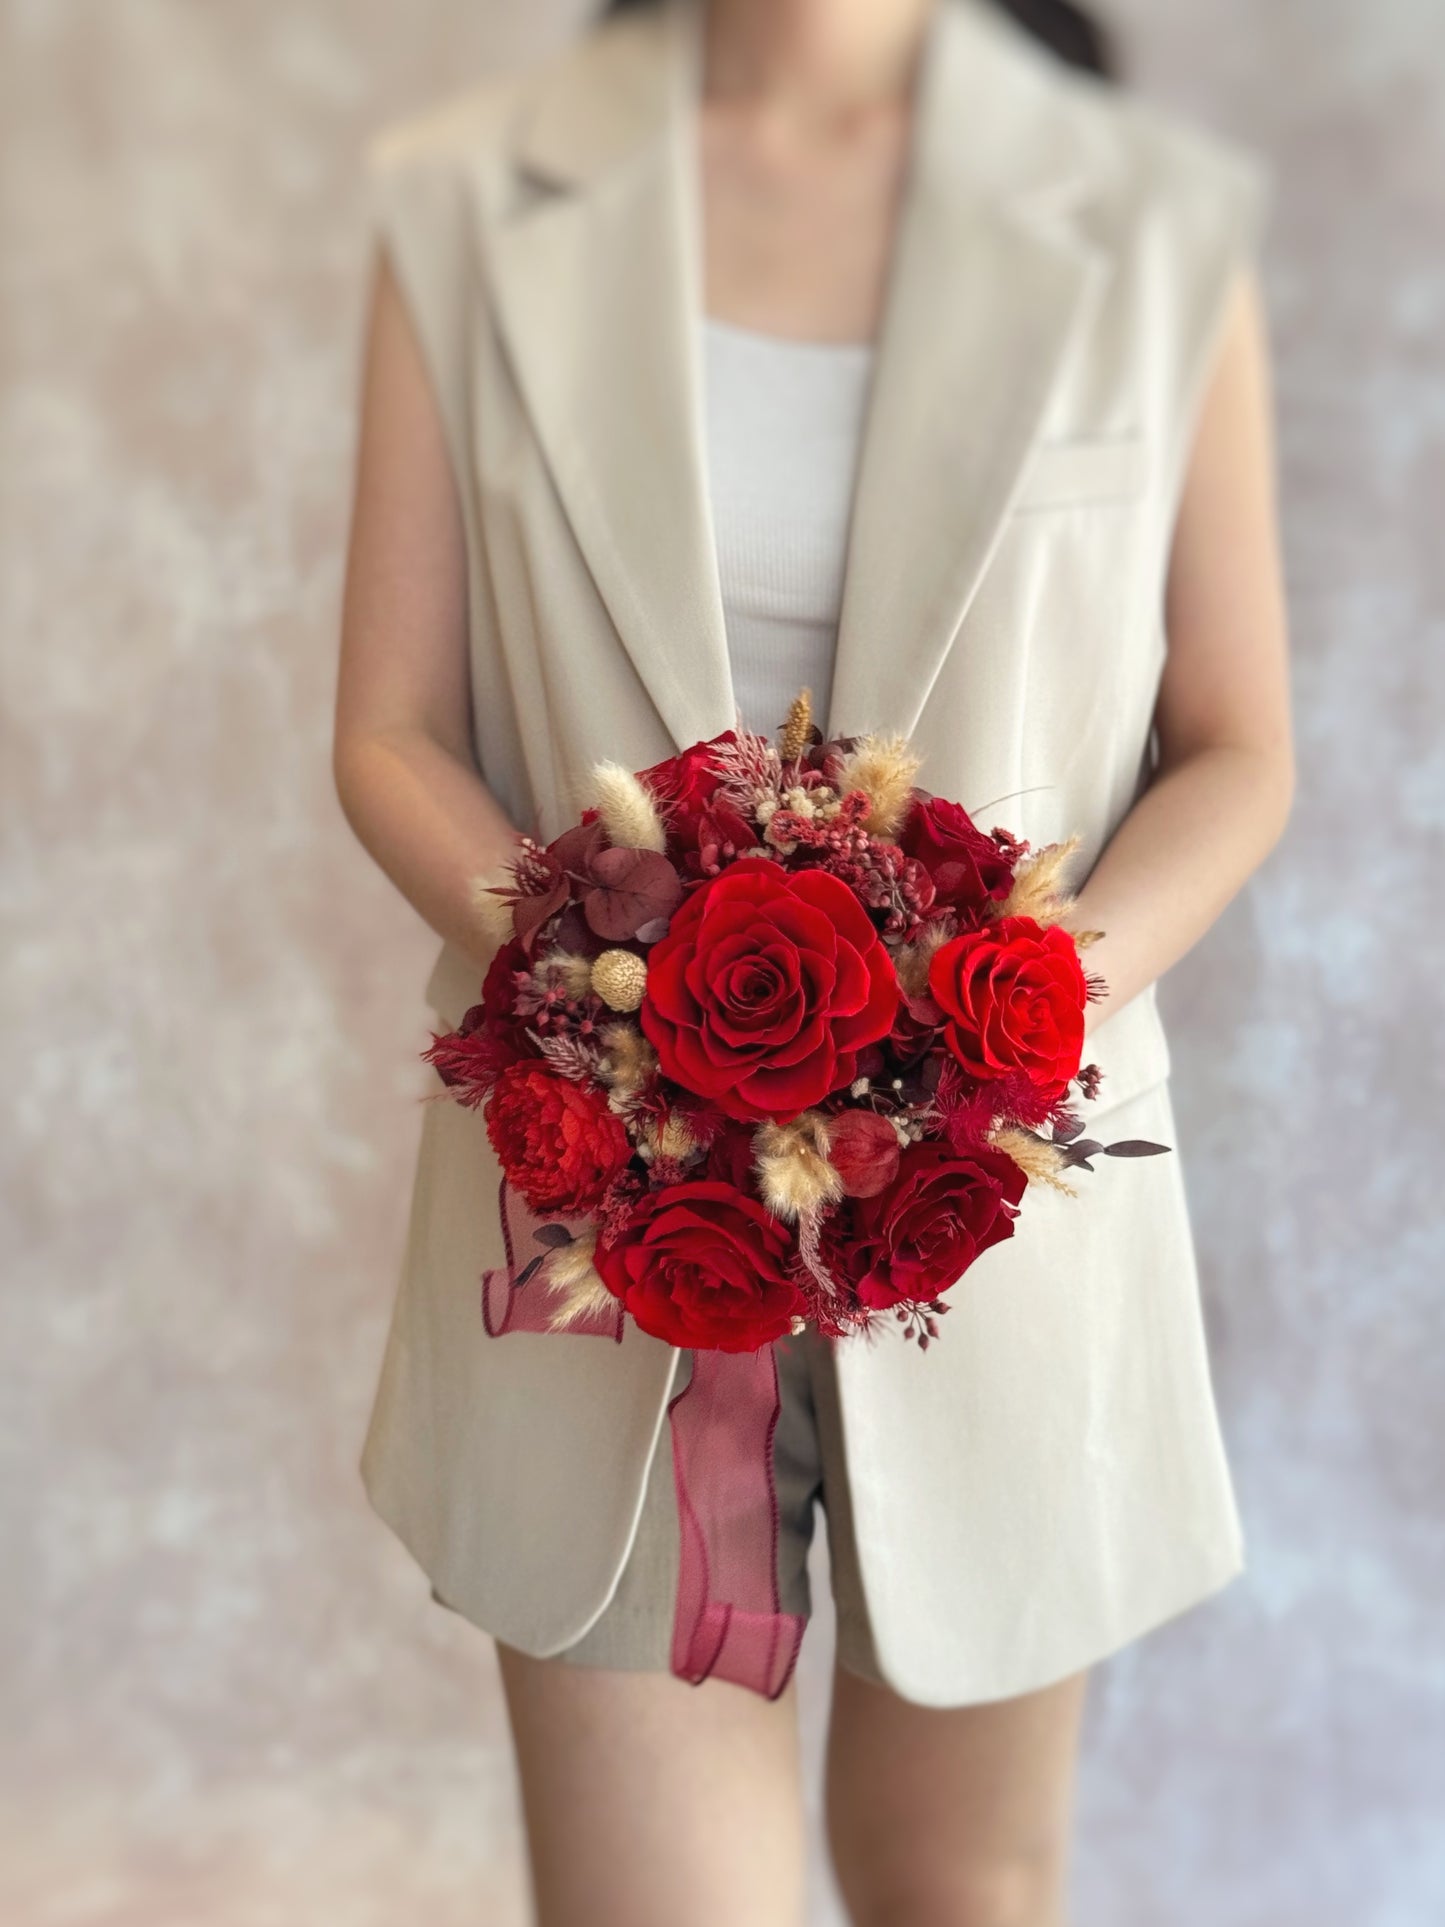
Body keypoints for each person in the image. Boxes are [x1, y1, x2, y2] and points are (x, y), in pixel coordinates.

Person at [333, 0, 1294, 1919]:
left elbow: (1240, 746)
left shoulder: (1144, 221)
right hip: (600, 1245)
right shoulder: (468, 205)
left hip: (1009, 1223)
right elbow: (386, 730)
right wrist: (618, 1002)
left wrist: (996, 1026)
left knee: (965, 1897)